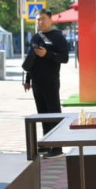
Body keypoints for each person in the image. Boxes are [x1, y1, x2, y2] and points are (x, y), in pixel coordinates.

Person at [22, 8, 69, 158]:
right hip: (36, 81)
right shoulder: (35, 37)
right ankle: (47, 143)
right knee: (42, 113)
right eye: (38, 20)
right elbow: (31, 60)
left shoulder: (58, 37)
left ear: (50, 19)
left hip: (51, 80)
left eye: (43, 19)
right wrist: (27, 80)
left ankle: (57, 147)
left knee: (53, 112)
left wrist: (47, 54)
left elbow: (64, 58)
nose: (40, 22)